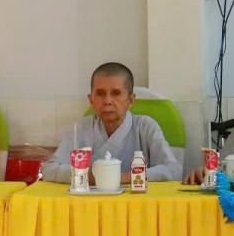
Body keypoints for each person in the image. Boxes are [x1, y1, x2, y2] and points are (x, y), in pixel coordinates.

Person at [41, 62, 183, 183]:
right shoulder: (81, 128)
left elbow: (173, 169)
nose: (107, 101)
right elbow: (49, 169)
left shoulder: (145, 126)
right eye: (100, 94)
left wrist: (123, 178)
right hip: (91, 202)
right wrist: (90, 176)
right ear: (91, 100)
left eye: (116, 93)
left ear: (131, 100)